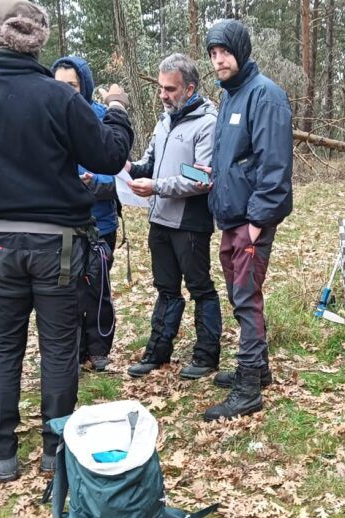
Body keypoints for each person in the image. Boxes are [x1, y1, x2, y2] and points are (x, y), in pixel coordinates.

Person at [0, 0, 133, 482]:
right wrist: (118, 110)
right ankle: (54, 449)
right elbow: (108, 155)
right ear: (34, 37)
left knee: (1, 346)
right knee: (59, 346)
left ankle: (0, 451)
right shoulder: (56, 98)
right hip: (56, 243)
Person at [199, 19, 293, 421]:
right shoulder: (230, 97)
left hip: (251, 220)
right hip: (230, 217)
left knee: (245, 296)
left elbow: (275, 168)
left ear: (241, 50)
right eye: (213, 54)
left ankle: (249, 387)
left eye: (224, 52)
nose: (219, 60)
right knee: (241, 294)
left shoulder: (265, 96)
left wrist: (256, 222)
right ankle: (260, 368)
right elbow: (237, 159)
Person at [123, 53, 222, 381]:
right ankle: (158, 351)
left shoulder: (207, 123)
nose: (163, 95)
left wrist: (156, 186)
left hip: (190, 224)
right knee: (166, 289)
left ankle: (206, 355)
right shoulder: (164, 121)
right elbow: (148, 163)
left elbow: (202, 178)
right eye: (161, 88)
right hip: (160, 221)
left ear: (189, 88)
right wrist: (124, 166)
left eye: (170, 89)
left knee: (200, 289)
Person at [52, 55, 120, 373]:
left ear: (85, 86)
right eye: (59, 85)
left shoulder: (102, 118)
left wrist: (93, 182)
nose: (66, 91)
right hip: (62, 226)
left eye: (72, 85)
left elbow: (115, 172)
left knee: (98, 288)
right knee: (67, 290)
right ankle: (75, 351)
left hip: (100, 225)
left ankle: (99, 349)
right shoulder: (46, 119)